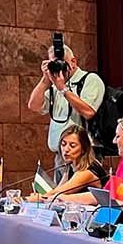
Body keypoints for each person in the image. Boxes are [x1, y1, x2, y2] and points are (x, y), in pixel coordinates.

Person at [26, 44, 105, 178]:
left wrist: (63, 89)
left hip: (84, 155)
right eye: (54, 63)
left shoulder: (89, 80)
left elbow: (88, 111)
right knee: (60, 197)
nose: (59, 67)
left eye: (62, 62)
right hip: (61, 155)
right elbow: (33, 106)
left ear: (73, 62)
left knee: (74, 196)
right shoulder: (55, 84)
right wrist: (45, 80)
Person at [27, 126, 108, 202]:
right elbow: (57, 189)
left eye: (72, 146)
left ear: (84, 149)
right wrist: (40, 196)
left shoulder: (87, 172)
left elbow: (59, 194)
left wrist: (35, 198)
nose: (66, 149)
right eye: (63, 144)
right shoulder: (70, 166)